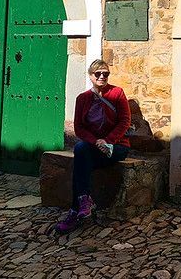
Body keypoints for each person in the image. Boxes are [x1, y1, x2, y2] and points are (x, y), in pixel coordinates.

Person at [56, 59, 131, 233]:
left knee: (81, 162)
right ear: (90, 76)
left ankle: (75, 211)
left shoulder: (117, 93)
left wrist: (108, 140)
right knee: (81, 151)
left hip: (116, 147)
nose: (102, 76)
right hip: (94, 147)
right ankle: (82, 203)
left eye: (105, 73)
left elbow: (124, 121)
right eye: (98, 73)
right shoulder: (83, 99)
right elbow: (79, 128)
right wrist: (96, 141)